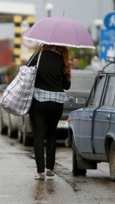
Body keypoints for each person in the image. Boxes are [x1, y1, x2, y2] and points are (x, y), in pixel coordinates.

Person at [28, 44, 71, 180]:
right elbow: (67, 85)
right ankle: (50, 169)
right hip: (57, 103)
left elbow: (26, 70)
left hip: (39, 101)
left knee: (39, 136)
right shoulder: (62, 59)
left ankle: (40, 172)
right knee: (52, 134)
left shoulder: (39, 55)